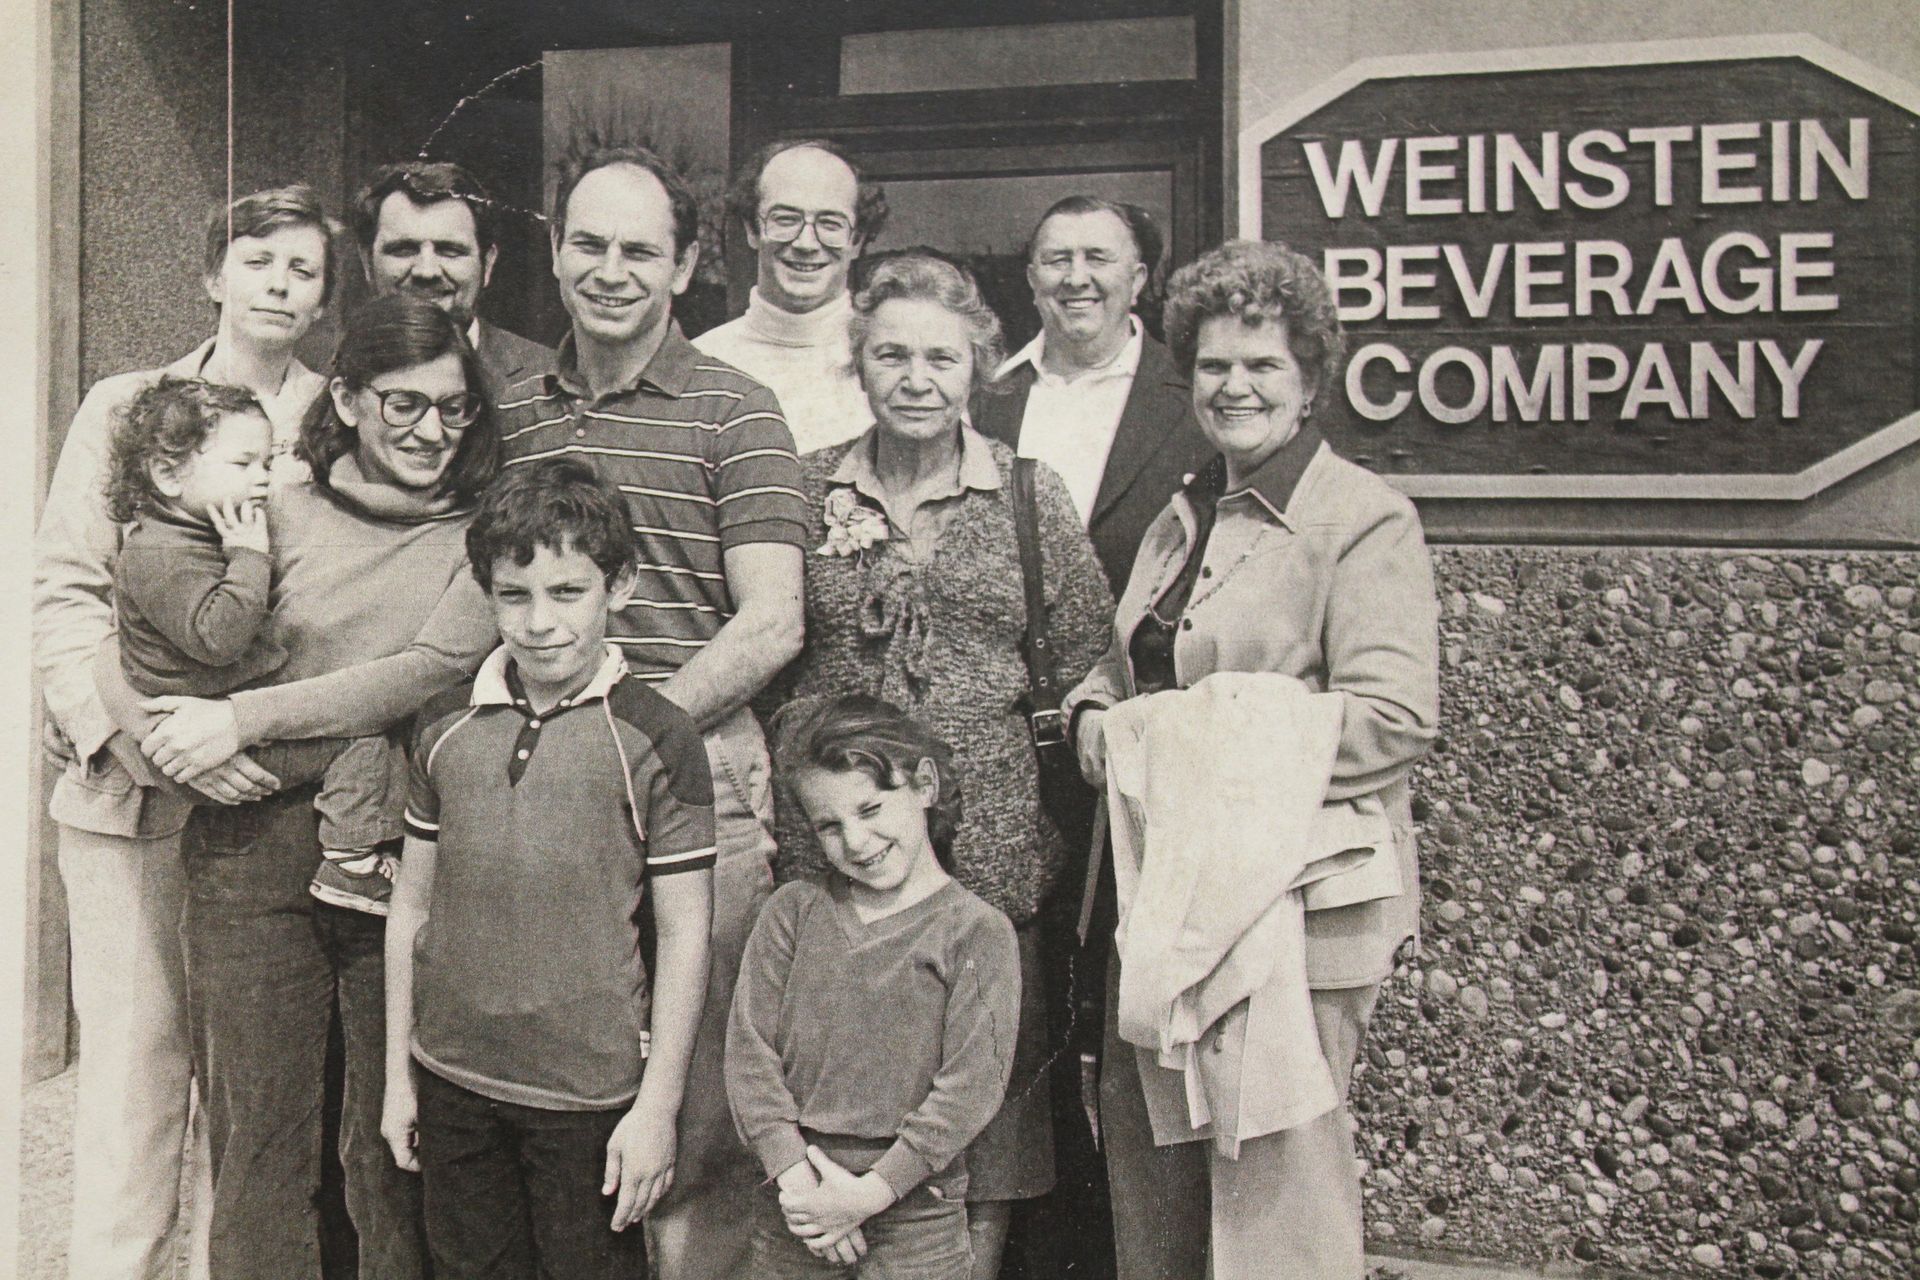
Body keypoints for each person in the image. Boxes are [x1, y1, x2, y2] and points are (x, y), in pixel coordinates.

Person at [97, 293, 504, 1279]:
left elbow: (424, 667)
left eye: (453, 408)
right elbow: (135, 629)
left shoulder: (483, 533)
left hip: (397, 854)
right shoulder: (269, 503)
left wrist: (245, 716)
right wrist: (158, 733)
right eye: (404, 403)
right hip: (249, 844)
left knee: (386, 1146)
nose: (431, 430)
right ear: (351, 398)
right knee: (260, 1137)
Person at [1063, 240, 1439, 1280]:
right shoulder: (1184, 513)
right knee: (1158, 1178)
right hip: (1166, 892)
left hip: (1290, 904)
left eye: (1263, 365)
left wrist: (1184, 740)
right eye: (1216, 365)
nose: (1235, 386)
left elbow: (1394, 717)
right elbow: (1127, 658)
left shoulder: (1360, 520)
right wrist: (1099, 706)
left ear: (1311, 380)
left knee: (1274, 1198)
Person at [494, 142, 808, 1280]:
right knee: (559, 1082)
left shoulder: (738, 407)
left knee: (702, 1112)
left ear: (684, 271)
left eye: (640, 249)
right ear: (555, 249)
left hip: (695, 770)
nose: (610, 269)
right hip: (541, 782)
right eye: (589, 243)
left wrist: (627, 725)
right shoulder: (515, 409)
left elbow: (773, 620)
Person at [771, 252, 1113, 1280]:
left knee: (987, 1135)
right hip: (838, 861)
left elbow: (1091, 646)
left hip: (990, 865)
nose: (916, 377)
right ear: (858, 365)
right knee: (840, 1100)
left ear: (979, 368)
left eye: (940, 357)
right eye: (891, 355)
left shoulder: (1028, 494)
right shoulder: (804, 484)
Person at [31, 182, 339, 1280]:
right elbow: (68, 591)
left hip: (267, 795)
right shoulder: (128, 406)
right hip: (132, 796)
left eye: (304, 269)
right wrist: (121, 733)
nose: (280, 284)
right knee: (134, 1063)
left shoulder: (335, 418)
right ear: (213, 273)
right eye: (258, 259)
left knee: (256, 1081)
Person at [383, 459, 715, 1280]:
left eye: (567, 593)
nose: (539, 623)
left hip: (588, 1100)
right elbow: (411, 911)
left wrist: (658, 1109)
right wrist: (400, 1076)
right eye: (514, 596)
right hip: (453, 1077)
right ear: (487, 594)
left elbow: (685, 931)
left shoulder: (657, 737)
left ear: (621, 586)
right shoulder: (442, 726)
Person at [728, 693, 1019, 1280]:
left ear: (925, 786)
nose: (855, 842)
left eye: (870, 809)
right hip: (795, 1198)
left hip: (915, 1213)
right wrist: (800, 1185)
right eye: (829, 826)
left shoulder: (976, 932)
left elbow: (969, 1089)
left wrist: (867, 1196)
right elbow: (748, 1053)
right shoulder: (792, 912)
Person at [105, 375, 409, 914]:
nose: (263, 481)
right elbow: (219, 638)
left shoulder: (186, 536)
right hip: (211, 747)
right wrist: (249, 555)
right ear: (168, 474)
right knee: (363, 740)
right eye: (243, 465)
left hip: (217, 725)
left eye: (267, 464)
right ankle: (353, 859)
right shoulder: (158, 554)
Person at [974, 196, 1210, 592]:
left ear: (1137, 280)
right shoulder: (983, 399)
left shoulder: (1195, 399)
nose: (1076, 278)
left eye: (1097, 258)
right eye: (1057, 260)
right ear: (1032, 280)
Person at [692, 139, 886, 454]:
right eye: (785, 219)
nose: (806, 243)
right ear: (752, 230)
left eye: (830, 224)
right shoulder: (697, 365)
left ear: (857, 240)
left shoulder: (901, 364)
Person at [353, 160, 553, 394]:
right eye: (403, 249)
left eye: (450, 250)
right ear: (367, 263)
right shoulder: (328, 378)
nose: (426, 272)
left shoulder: (548, 378)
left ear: (487, 264)